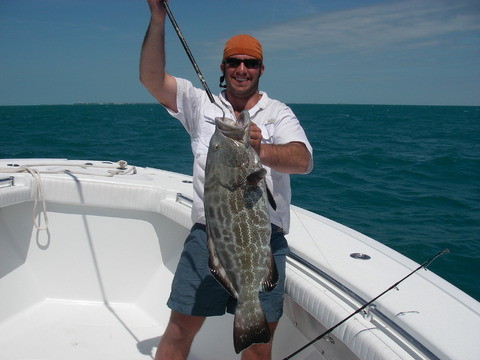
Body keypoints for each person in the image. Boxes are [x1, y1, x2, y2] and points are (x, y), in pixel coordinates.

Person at [140, 1, 313, 359]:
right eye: (234, 62)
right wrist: (158, 19)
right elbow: (151, 79)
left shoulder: (278, 113)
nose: (241, 69)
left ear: (261, 68)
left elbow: (302, 160)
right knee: (178, 330)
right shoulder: (198, 103)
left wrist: (262, 150)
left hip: (262, 239)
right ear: (223, 67)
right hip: (209, 235)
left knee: (257, 346)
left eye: (250, 62)